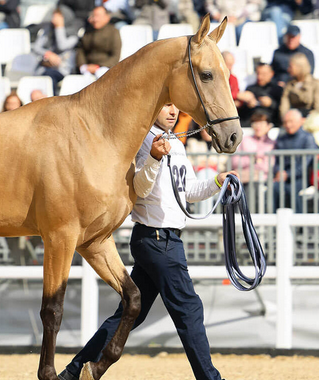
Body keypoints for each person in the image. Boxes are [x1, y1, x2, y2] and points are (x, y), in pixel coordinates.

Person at [58, 103, 237, 380]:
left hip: (159, 239)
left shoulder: (176, 142)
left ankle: (72, 373)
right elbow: (139, 189)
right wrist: (153, 157)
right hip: (157, 238)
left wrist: (217, 181)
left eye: (175, 106)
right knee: (189, 308)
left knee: (130, 313)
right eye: (166, 105)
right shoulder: (140, 140)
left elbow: (188, 191)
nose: (173, 111)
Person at [273, 109, 318, 213]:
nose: (288, 125)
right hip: (284, 178)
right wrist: (279, 172)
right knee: (274, 188)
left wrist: (287, 174)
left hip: (302, 178)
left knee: (293, 190)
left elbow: (304, 164)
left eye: (291, 121)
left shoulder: (308, 138)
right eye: (285, 122)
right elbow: (277, 160)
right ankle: (273, 225)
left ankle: (299, 226)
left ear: (300, 121)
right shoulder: (281, 139)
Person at [231, 111, 276, 213]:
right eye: (255, 123)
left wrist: (248, 159)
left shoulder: (272, 143)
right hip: (244, 177)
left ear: (268, 126)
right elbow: (235, 161)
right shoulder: (245, 140)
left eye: (261, 123)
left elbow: (268, 166)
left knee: (251, 187)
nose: (257, 126)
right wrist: (254, 159)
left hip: (262, 178)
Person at [32, 9, 79, 94]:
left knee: (49, 77)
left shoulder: (73, 34)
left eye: (58, 17)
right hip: (45, 66)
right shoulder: (48, 29)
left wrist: (59, 27)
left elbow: (62, 46)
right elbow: (36, 47)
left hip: (62, 69)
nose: (54, 19)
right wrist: (48, 54)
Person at [76, 6, 121, 79]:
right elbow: (81, 50)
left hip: (105, 67)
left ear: (107, 17)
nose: (95, 19)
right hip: (88, 67)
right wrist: (83, 65)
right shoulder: (88, 31)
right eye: (93, 16)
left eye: (98, 16)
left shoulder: (113, 32)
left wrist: (98, 66)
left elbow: (115, 56)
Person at [237, 63, 283, 127]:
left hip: (272, 125)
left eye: (263, 74)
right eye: (258, 73)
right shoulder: (250, 89)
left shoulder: (277, 90)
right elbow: (242, 112)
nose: (260, 77)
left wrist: (271, 103)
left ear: (271, 74)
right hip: (250, 125)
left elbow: (283, 110)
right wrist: (247, 104)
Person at [279, 53, 319, 119]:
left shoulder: (316, 84)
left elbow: (318, 108)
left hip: (311, 120)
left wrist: (306, 120)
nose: (288, 69)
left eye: (291, 66)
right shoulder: (289, 85)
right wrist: (286, 119)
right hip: (293, 120)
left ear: (300, 67)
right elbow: (284, 107)